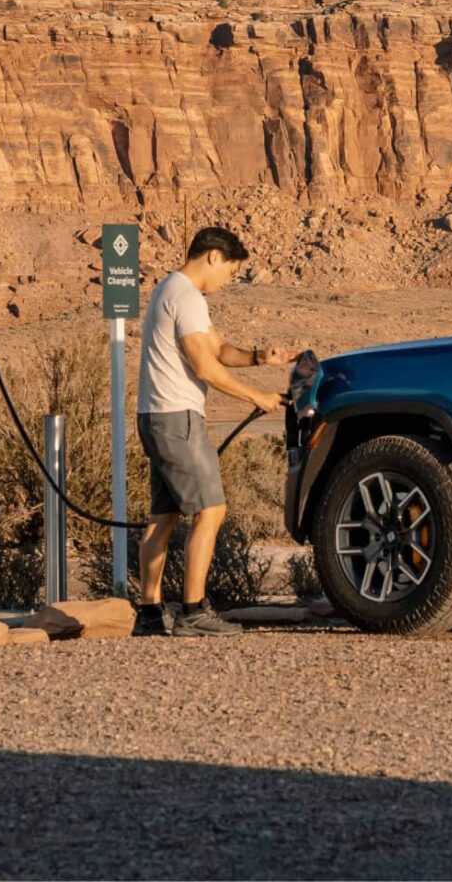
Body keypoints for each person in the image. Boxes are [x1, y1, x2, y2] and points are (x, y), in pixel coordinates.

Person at [133, 227, 298, 638]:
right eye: (230, 269)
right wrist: (256, 397)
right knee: (211, 510)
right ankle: (193, 611)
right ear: (212, 257)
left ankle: (150, 614)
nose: (228, 279)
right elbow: (205, 366)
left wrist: (262, 356)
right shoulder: (186, 296)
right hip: (177, 419)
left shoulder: (172, 291)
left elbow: (219, 350)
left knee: (163, 518)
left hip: (156, 416)